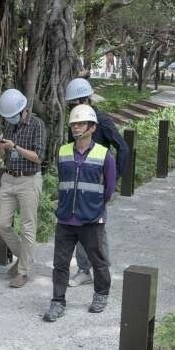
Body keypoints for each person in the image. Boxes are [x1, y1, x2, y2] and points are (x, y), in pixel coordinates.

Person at [46, 104, 116, 322]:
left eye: (81, 123)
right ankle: (57, 301)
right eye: (73, 124)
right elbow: (62, 181)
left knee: (98, 260)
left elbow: (109, 189)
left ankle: (101, 294)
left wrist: (93, 207)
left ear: (92, 127)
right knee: (60, 263)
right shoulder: (63, 151)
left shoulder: (105, 155)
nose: (76, 127)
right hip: (66, 218)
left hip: (91, 218)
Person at [63, 77, 129, 286]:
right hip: (76, 183)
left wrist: (115, 177)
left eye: (75, 103)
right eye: (71, 104)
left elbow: (123, 147)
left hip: (96, 183)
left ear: (86, 99)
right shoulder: (74, 123)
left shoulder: (102, 121)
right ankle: (85, 269)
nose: (73, 108)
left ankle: (101, 270)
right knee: (78, 225)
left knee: (96, 228)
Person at [0, 88, 46, 288]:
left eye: (13, 116)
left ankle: (22, 271)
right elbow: (7, 158)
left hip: (28, 180)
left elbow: (39, 157)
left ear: (24, 110)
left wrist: (15, 147)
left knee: (28, 226)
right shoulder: (9, 125)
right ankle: (25, 258)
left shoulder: (37, 125)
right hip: (8, 178)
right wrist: (0, 148)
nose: (11, 119)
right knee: (2, 224)